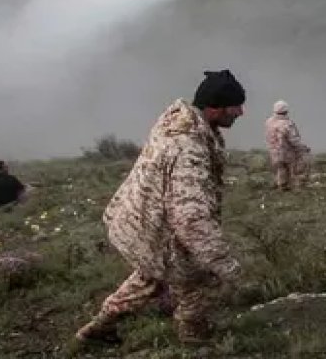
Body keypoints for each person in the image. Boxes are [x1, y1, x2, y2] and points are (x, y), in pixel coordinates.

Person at [75, 70, 246, 347]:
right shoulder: (188, 148)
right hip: (158, 230)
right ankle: (195, 343)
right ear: (214, 108)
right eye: (235, 106)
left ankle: (97, 329)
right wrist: (226, 266)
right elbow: (190, 219)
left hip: (142, 223)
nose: (240, 112)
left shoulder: (180, 124)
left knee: (148, 278)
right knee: (194, 283)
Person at [265, 100, 310, 191]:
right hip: (287, 152)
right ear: (286, 111)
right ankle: (294, 186)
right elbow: (294, 140)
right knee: (292, 169)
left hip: (273, 151)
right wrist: (303, 148)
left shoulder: (269, 122)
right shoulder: (287, 124)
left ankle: (281, 185)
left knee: (280, 169)